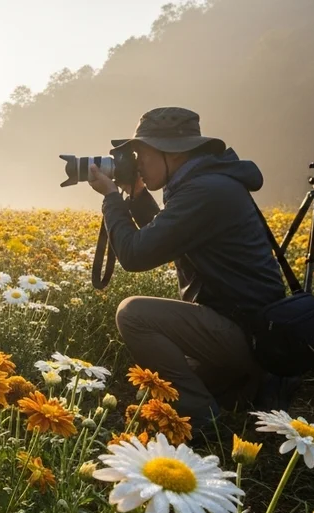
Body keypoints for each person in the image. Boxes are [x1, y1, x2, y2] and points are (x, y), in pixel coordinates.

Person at [88, 106, 293, 441]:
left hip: (249, 334)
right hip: (249, 327)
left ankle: (202, 419)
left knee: (134, 314)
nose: (136, 162)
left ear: (175, 152)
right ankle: (241, 386)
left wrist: (112, 198)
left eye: (142, 153)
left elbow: (135, 254)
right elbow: (165, 236)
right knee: (178, 372)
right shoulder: (209, 183)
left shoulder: (205, 191)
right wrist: (137, 196)